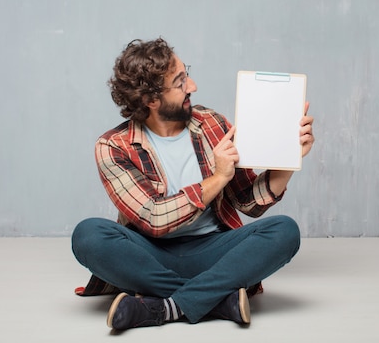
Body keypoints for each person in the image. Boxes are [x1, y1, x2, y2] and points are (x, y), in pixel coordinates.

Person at [71, 37, 314, 330]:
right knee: (88, 235)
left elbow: (249, 202)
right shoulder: (113, 146)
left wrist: (289, 156)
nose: (193, 86)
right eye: (180, 81)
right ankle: (215, 298)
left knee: (285, 231)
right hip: (149, 254)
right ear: (151, 99)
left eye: (186, 74)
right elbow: (154, 219)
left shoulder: (212, 124)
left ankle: (167, 306)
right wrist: (218, 177)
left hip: (214, 249)